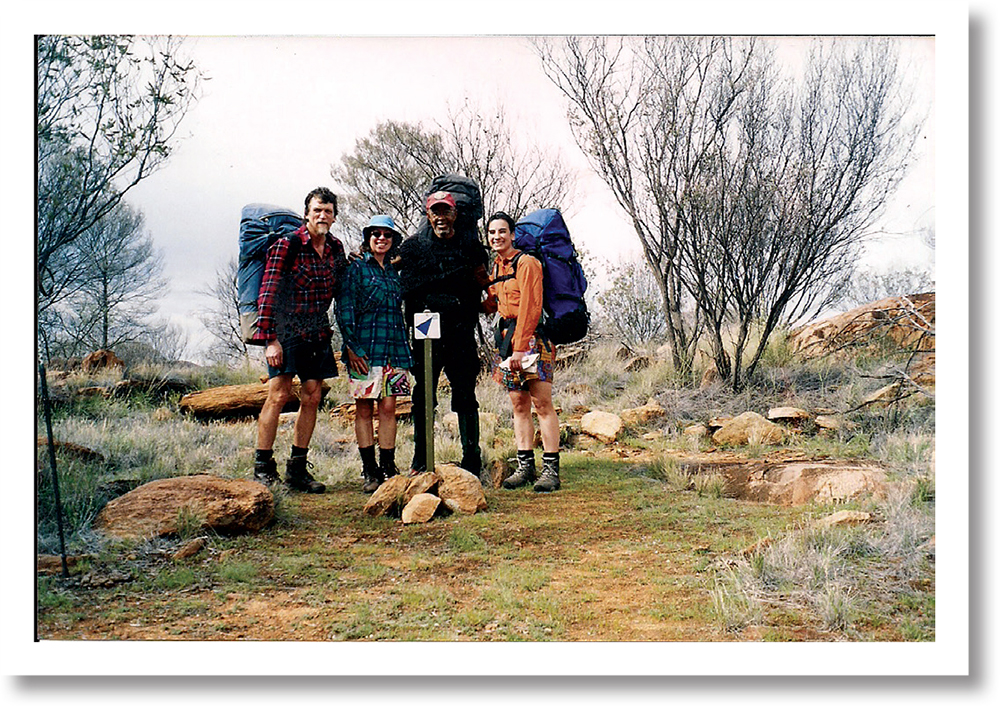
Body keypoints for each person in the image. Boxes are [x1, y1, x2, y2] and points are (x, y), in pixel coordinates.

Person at [252, 187, 347, 493]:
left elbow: (343, 284)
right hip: (286, 328)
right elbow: (267, 292)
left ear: (334, 217)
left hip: (317, 329)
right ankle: (262, 467)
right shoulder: (287, 244)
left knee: (313, 395)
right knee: (278, 395)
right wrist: (269, 339)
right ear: (307, 213)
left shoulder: (335, 248)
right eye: (317, 210)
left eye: (328, 211)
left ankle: (297, 469)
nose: (322, 216)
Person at [397, 191, 492, 478]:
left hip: (461, 332)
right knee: (423, 396)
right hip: (426, 333)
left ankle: (472, 460)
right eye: (435, 212)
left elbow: (481, 282)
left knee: (465, 394)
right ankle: (421, 459)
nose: (441, 217)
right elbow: (407, 288)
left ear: (455, 215)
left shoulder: (471, 247)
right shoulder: (413, 247)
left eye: (446, 211)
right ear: (428, 215)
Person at [336, 215, 414, 493]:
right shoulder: (356, 269)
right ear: (368, 238)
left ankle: (388, 466)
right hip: (364, 352)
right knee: (364, 407)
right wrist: (352, 347)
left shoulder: (394, 274)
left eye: (387, 235)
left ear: (393, 241)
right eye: (376, 234)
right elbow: (344, 309)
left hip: (394, 350)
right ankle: (369, 470)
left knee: (390, 408)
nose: (381, 239)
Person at [485, 211, 561, 492]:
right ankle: (525, 466)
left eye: (502, 231)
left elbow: (531, 307)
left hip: (530, 342)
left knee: (541, 404)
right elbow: (494, 304)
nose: (497, 237)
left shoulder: (527, 263)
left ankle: (551, 470)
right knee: (518, 405)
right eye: (492, 233)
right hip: (507, 342)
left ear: (513, 234)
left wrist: (519, 349)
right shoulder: (495, 268)